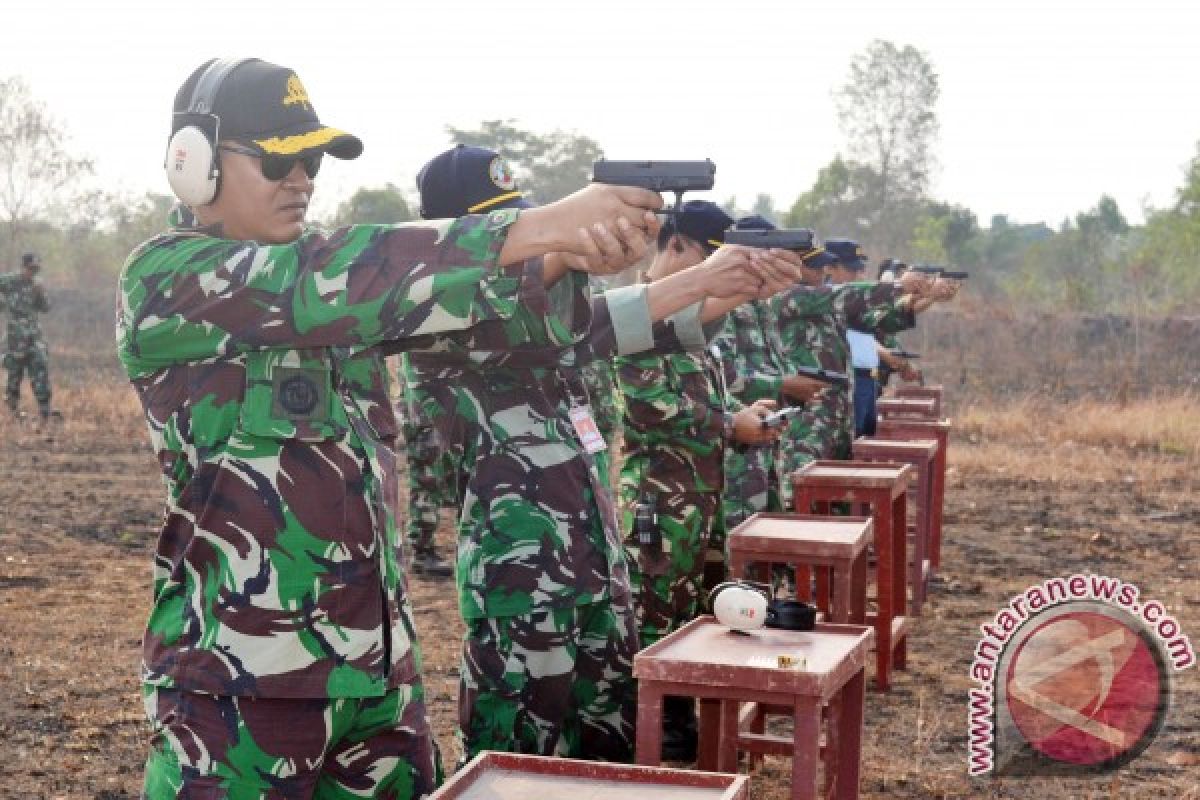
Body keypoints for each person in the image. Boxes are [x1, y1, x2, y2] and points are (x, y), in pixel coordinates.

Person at [118, 58, 668, 800]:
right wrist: (542, 223)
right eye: (278, 158)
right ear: (195, 163)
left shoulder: (344, 300)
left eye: (311, 159)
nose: (302, 178)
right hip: (240, 688)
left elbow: (482, 308)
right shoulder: (165, 278)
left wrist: (570, 253)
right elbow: (336, 276)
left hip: (376, 679)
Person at [408, 146, 804, 765]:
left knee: (606, 756)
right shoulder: (441, 325)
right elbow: (500, 288)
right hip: (522, 580)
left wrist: (714, 282)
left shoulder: (548, 329)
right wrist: (567, 245)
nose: (526, 241)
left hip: (596, 565)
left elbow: (622, 321)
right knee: (515, 762)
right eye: (507, 230)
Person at [615, 202, 792, 760]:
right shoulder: (630, 315)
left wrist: (742, 417)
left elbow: (697, 401)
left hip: (698, 500)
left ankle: (682, 721)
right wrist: (726, 423)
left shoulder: (686, 318)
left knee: (695, 613)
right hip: (657, 503)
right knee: (653, 614)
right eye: (711, 260)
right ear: (678, 246)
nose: (716, 276)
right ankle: (651, 732)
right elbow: (648, 408)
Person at [774, 239, 934, 503]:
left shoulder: (824, 302)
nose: (820, 271)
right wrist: (896, 286)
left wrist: (918, 297)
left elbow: (881, 319)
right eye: (812, 266)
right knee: (802, 495)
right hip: (807, 419)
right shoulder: (790, 296)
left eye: (822, 265)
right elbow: (841, 295)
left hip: (837, 414)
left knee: (838, 495)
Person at [711, 215, 826, 532]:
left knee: (768, 534)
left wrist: (792, 386)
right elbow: (725, 378)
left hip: (767, 440)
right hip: (736, 448)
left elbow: (776, 363)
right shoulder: (720, 306)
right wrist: (784, 383)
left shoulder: (762, 305)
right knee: (739, 537)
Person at [397, 356, 460, 578]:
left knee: (448, 478)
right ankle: (422, 553)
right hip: (426, 412)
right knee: (427, 480)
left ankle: (427, 550)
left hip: (434, 408)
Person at [1, 252, 53, 420]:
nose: (33, 273)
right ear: (24, 267)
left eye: (36, 270)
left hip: (34, 337)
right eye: (31, 269)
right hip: (15, 339)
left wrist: (41, 293)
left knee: (40, 369)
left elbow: (45, 308)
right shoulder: (9, 281)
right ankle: (12, 412)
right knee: (14, 374)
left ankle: (45, 411)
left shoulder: (37, 285)